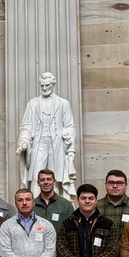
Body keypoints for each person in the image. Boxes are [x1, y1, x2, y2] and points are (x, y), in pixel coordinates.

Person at [17, 72, 77, 201]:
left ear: (53, 84)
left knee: (56, 178)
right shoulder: (32, 103)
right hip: (39, 143)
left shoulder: (63, 103)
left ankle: (56, 205)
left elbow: (70, 125)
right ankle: (36, 205)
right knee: (36, 177)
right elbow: (26, 125)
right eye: (42, 86)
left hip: (57, 144)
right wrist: (23, 141)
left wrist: (68, 139)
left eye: (47, 86)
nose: (44, 88)